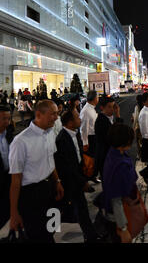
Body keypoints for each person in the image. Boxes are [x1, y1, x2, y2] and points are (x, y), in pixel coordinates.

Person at [8, 100, 64, 243]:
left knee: (53, 228)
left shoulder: (50, 132)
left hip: (50, 189)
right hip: (31, 196)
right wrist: (14, 213)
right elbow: (15, 181)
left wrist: (57, 181)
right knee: (38, 236)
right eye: (53, 114)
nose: (56, 117)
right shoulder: (20, 142)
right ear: (38, 114)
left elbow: (50, 160)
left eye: (57, 113)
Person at [54, 109, 101, 243]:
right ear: (70, 122)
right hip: (69, 181)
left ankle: (90, 235)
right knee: (69, 208)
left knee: (80, 208)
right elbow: (68, 166)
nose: (80, 119)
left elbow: (77, 158)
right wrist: (82, 182)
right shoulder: (62, 139)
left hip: (76, 178)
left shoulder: (75, 134)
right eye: (77, 117)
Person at [103, 123, 137, 243]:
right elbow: (116, 200)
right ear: (124, 142)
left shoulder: (114, 153)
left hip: (118, 212)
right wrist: (123, 229)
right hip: (118, 217)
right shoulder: (120, 165)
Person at [95, 96, 123, 182]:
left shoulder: (109, 118)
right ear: (102, 108)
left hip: (110, 156)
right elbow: (116, 135)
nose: (112, 109)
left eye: (113, 106)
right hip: (106, 157)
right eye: (109, 107)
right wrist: (118, 116)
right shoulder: (101, 121)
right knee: (108, 182)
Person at [80, 91, 100, 183]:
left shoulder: (91, 108)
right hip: (90, 138)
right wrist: (85, 142)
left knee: (94, 158)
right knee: (90, 160)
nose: (98, 99)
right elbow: (84, 128)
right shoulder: (86, 110)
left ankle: (93, 176)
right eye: (97, 97)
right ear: (94, 99)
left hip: (94, 137)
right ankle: (88, 178)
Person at [0, 106, 14, 230]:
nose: (7, 122)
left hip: (8, 176)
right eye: (4, 118)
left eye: (8, 118)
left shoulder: (9, 134)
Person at [131, 94, 144, 160]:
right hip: (145, 128)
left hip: (138, 128)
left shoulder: (137, 107)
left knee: (138, 142)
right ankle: (144, 154)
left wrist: (133, 127)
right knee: (143, 142)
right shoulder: (145, 107)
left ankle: (139, 155)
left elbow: (136, 118)